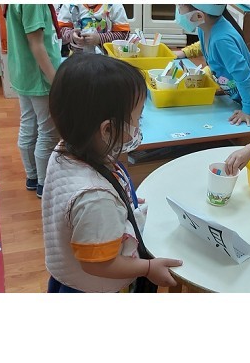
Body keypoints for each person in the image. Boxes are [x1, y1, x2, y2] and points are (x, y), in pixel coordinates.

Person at [43, 54, 182, 292]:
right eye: (138, 118)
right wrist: (148, 268)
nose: (140, 125)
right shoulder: (95, 199)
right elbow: (99, 264)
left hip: (69, 273)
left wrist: (121, 203)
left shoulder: (69, 148)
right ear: (107, 130)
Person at [174, 4, 250, 126]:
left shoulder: (222, 40)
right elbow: (205, 44)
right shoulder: (205, 28)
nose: (177, 11)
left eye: (180, 8)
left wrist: (249, 111)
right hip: (239, 94)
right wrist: (185, 52)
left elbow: (243, 75)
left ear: (199, 16)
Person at [4, 4, 62, 198]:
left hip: (24, 72)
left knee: (29, 125)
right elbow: (36, 43)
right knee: (48, 132)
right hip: (40, 77)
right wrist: (55, 81)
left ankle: (33, 177)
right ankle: (44, 184)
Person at [56, 4, 130, 54]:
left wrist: (99, 38)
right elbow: (59, 31)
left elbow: (124, 35)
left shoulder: (114, 5)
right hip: (77, 57)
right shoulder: (70, 5)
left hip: (106, 58)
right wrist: (72, 35)